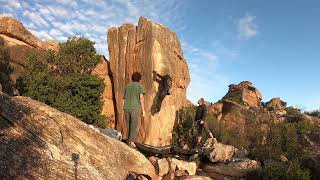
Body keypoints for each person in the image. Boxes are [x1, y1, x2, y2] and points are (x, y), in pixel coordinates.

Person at [123, 72, 146, 148]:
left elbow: (124, 98)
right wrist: (143, 110)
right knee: (135, 125)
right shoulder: (140, 86)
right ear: (139, 79)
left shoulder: (127, 86)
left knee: (128, 124)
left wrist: (124, 107)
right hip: (135, 108)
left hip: (126, 108)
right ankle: (131, 142)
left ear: (132, 78)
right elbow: (141, 98)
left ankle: (128, 140)